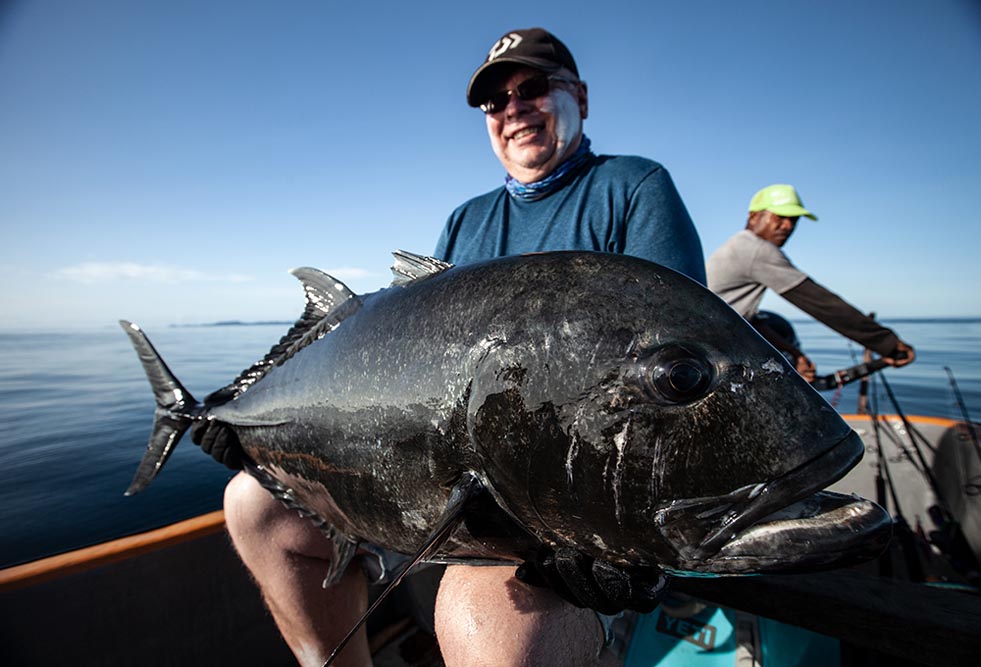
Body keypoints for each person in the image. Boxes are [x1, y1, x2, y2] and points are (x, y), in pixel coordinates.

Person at [213, 27, 705, 667]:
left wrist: (614, 541)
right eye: (495, 103)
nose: (514, 110)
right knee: (253, 506)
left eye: (532, 89)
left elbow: (676, 379)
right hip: (454, 480)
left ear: (579, 96)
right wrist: (257, 418)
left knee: (487, 618)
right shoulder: (466, 221)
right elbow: (413, 375)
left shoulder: (632, 188)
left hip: (559, 508)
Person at [706, 184, 915, 380]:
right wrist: (888, 344)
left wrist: (794, 354)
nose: (788, 226)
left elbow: (745, 317)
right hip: (711, 349)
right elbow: (821, 304)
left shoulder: (738, 245)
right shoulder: (756, 250)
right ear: (753, 217)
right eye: (780, 217)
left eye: (794, 220)